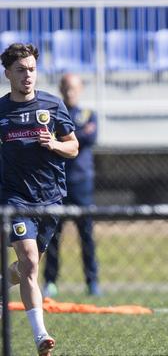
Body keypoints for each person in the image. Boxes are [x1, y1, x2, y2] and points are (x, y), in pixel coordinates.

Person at [0, 43, 78, 356]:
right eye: (21, 70)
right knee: (31, 263)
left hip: (50, 198)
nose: (27, 75)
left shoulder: (53, 105)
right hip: (14, 198)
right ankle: (40, 336)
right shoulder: (1, 111)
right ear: (8, 74)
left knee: (25, 268)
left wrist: (55, 144)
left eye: (31, 69)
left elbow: (73, 147)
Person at [43, 73, 100, 298]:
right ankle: (50, 282)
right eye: (66, 88)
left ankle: (92, 281)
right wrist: (74, 136)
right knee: (52, 235)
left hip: (81, 183)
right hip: (57, 183)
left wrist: (63, 140)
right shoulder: (53, 114)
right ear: (61, 89)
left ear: (80, 89)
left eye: (74, 88)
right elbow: (51, 140)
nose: (70, 92)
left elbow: (90, 138)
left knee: (86, 234)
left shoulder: (88, 114)